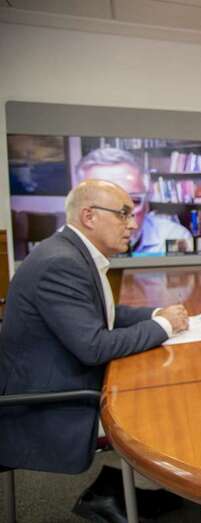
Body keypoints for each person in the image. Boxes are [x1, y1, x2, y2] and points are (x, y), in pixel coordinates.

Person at [0, 179, 190, 521]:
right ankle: (126, 494)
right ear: (89, 216)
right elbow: (93, 347)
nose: (133, 224)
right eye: (123, 214)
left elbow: (105, 316)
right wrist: (165, 327)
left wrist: (155, 314)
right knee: (163, 406)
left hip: (60, 378)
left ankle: (138, 489)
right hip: (47, 403)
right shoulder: (62, 264)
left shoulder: (70, 252)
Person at [76, 147, 192, 255]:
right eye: (101, 202)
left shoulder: (174, 236)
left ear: (146, 205)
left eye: (133, 201)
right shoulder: (68, 242)